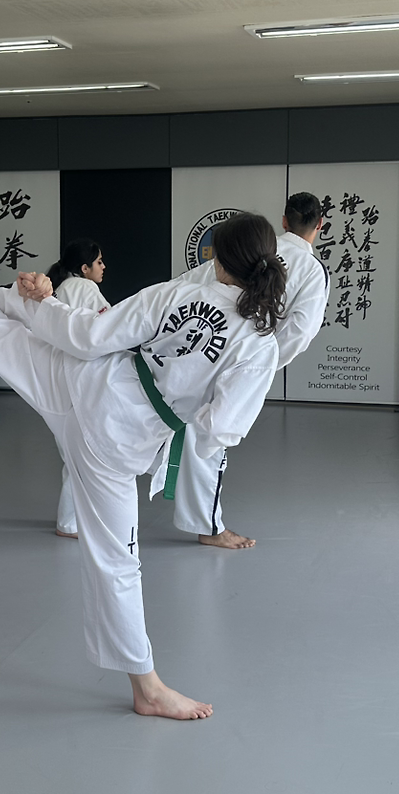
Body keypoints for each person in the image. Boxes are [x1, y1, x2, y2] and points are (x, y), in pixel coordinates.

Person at [0, 212, 286, 719]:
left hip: (84, 381)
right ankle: (146, 687)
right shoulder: (258, 343)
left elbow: (88, 337)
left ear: (218, 259)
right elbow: (222, 430)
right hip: (115, 440)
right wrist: (184, 410)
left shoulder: (177, 293)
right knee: (117, 561)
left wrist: (42, 303)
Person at [170, 193, 330, 549]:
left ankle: (201, 519)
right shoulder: (311, 270)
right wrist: (261, 362)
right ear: (320, 225)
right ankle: (209, 526)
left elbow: (186, 285)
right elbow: (301, 331)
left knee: (181, 425)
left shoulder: (252, 247)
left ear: (284, 221)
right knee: (212, 437)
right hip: (241, 359)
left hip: (200, 346)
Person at [45, 238, 110, 538]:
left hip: (55, 376)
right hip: (77, 380)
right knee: (81, 453)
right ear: (84, 268)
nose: (103, 267)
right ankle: (69, 522)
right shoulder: (85, 288)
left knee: (73, 451)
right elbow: (107, 327)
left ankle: (73, 519)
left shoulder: (59, 288)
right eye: (99, 262)